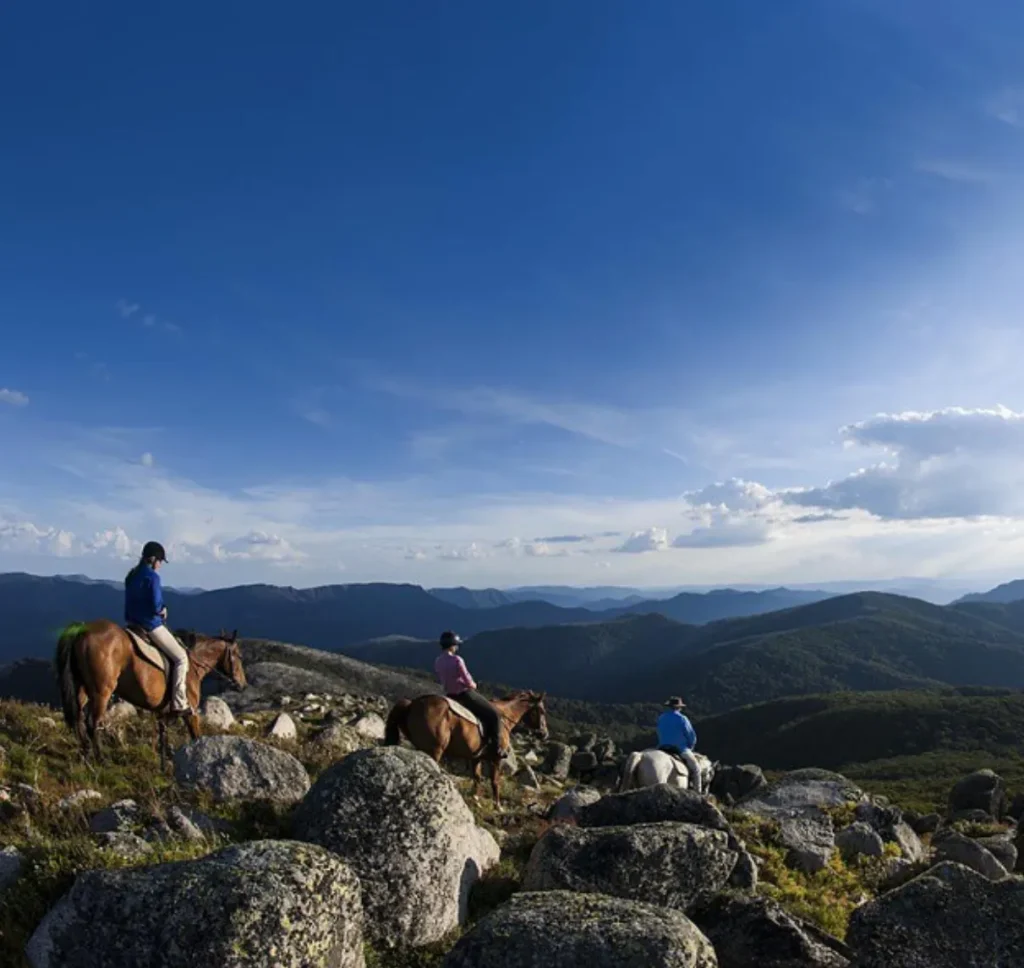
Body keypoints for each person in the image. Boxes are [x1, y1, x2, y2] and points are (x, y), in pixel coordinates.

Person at [124, 541, 192, 715]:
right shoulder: (153, 577)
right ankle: (179, 703)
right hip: (150, 625)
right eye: (160, 561)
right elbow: (155, 605)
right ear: (153, 559)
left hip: (132, 624)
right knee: (181, 658)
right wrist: (163, 610)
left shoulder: (132, 575)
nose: (160, 564)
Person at [433, 631, 506, 758]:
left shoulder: (438, 661)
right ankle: (496, 749)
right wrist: (473, 685)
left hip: (449, 695)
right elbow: (467, 679)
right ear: (453, 645)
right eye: (456, 645)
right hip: (464, 694)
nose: (457, 647)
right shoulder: (457, 660)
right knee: (494, 714)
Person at [657, 696, 702, 792]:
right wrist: (690, 747)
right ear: (679, 707)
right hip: (680, 748)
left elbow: (659, 733)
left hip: (662, 747)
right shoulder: (682, 719)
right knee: (696, 769)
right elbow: (692, 736)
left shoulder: (661, 718)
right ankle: (698, 795)